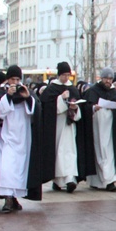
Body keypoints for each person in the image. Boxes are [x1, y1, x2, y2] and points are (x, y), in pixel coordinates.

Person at [0, 65, 42, 212]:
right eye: (13, 79)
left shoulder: (26, 92)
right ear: (7, 79)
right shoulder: (0, 93)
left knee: (20, 169)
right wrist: (8, 96)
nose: (16, 82)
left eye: (18, 79)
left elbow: (35, 111)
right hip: (6, 137)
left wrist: (28, 98)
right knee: (6, 168)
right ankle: (8, 199)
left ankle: (14, 198)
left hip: (23, 138)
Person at [39, 62, 86, 193]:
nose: (66, 78)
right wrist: (60, 99)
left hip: (70, 126)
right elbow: (47, 108)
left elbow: (79, 108)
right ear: (59, 74)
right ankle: (58, 180)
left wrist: (75, 107)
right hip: (56, 126)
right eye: (64, 75)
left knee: (70, 151)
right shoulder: (51, 89)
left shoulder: (73, 89)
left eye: (68, 75)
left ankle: (70, 178)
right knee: (58, 151)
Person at [84, 67, 116, 191]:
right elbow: (85, 106)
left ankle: (109, 180)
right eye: (106, 78)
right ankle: (97, 180)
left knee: (109, 152)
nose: (108, 81)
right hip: (97, 125)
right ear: (101, 78)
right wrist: (93, 108)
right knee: (99, 150)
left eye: (110, 78)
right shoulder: (93, 91)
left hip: (112, 128)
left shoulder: (115, 93)